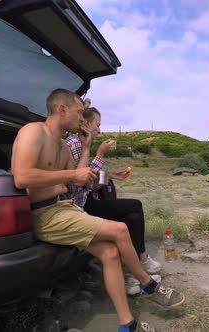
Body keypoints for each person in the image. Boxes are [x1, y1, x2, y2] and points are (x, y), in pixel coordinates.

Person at [11, 88, 184, 332]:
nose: (82, 119)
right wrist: (73, 173)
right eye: (79, 113)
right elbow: (22, 177)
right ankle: (147, 285)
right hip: (45, 213)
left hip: (65, 208)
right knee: (120, 229)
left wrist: (85, 148)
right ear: (62, 109)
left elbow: (80, 180)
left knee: (110, 253)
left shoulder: (62, 145)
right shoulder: (33, 131)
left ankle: (127, 325)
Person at [64, 106, 162, 295]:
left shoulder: (81, 142)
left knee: (133, 217)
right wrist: (100, 155)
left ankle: (133, 276)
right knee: (135, 205)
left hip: (87, 200)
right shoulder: (75, 144)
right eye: (98, 125)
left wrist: (110, 176)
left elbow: (89, 178)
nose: (99, 130)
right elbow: (79, 182)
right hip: (81, 206)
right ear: (85, 122)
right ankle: (141, 260)